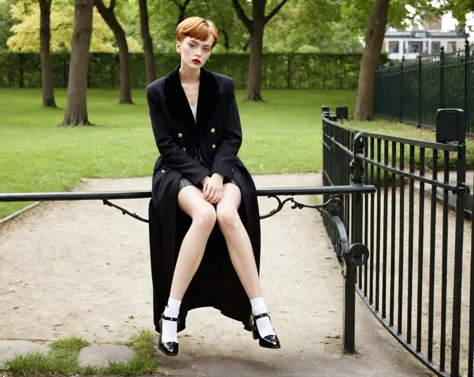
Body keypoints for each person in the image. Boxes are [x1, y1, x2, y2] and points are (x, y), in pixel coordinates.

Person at [146, 16, 280, 357]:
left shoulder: (222, 85)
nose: (198, 53)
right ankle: (171, 315)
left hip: (224, 168)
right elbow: (167, 146)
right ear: (179, 44)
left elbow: (233, 136)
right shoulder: (158, 91)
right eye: (192, 45)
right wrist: (202, 178)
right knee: (204, 215)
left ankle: (260, 312)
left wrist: (218, 175)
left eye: (205, 49)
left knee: (228, 216)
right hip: (178, 169)